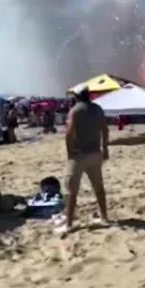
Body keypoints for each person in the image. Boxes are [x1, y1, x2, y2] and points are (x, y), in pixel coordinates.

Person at [59, 87, 110, 235]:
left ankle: (69, 224)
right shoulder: (98, 109)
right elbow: (105, 130)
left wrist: (70, 153)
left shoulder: (75, 110)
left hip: (79, 154)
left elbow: (69, 134)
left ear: (77, 97)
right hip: (95, 152)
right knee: (98, 187)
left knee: (71, 190)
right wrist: (105, 149)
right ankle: (104, 217)